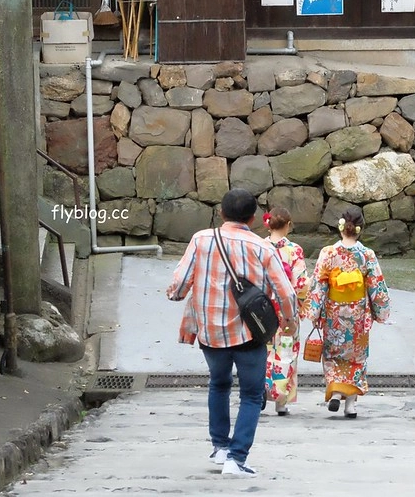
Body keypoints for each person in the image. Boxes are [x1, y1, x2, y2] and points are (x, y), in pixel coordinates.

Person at [166, 188, 296, 478]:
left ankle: (220, 447)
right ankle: (236, 459)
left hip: (210, 332)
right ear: (253, 218)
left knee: (219, 384)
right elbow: (285, 291)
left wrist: (183, 291)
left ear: (222, 213)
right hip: (251, 333)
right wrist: (289, 320)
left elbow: (177, 287)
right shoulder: (263, 248)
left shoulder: (201, 240)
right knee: (251, 395)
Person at [301, 206, 390, 418]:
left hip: (334, 313)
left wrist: (314, 312)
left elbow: (319, 286)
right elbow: (376, 286)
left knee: (332, 354)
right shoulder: (366, 254)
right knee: (356, 357)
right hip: (358, 313)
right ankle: (351, 404)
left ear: (341, 227)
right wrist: (380, 311)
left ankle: (335, 391)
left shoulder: (328, 253)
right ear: (360, 229)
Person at [263, 207, 310, 416]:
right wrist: (301, 305)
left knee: (262, 352)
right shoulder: (294, 250)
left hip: (261, 308)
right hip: (286, 309)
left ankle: (259, 393)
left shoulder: (258, 247)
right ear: (288, 225)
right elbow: (301, 284)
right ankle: (280, 402)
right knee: (285, 353)